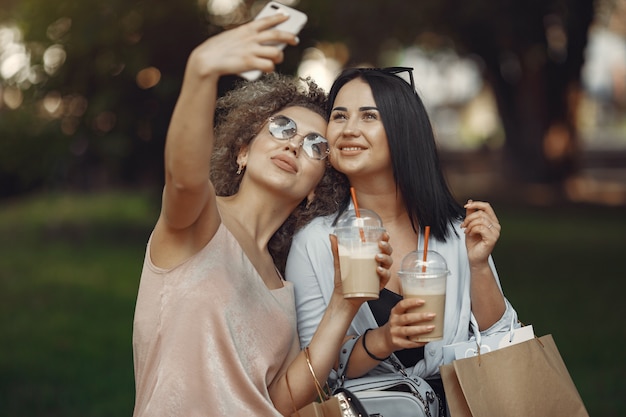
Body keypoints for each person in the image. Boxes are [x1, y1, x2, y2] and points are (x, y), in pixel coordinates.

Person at [131, 17, 393, 417]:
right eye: (283, 127)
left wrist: (344, 302)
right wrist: (202, 71)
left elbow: (283, 399)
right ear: (242, 151)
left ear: (315, 189)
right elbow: (183, 180)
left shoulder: (280, 282)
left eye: (315, 145)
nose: (293, 145)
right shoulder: (201, 221)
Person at [285, 67, 519, 412]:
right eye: (339, 116)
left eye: (369, 116)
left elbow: (502, 342)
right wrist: (384, 340)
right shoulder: (316, 242)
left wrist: (479, 265)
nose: (349, 129)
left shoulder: (455, 232)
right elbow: (317, 374)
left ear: (403, 130)